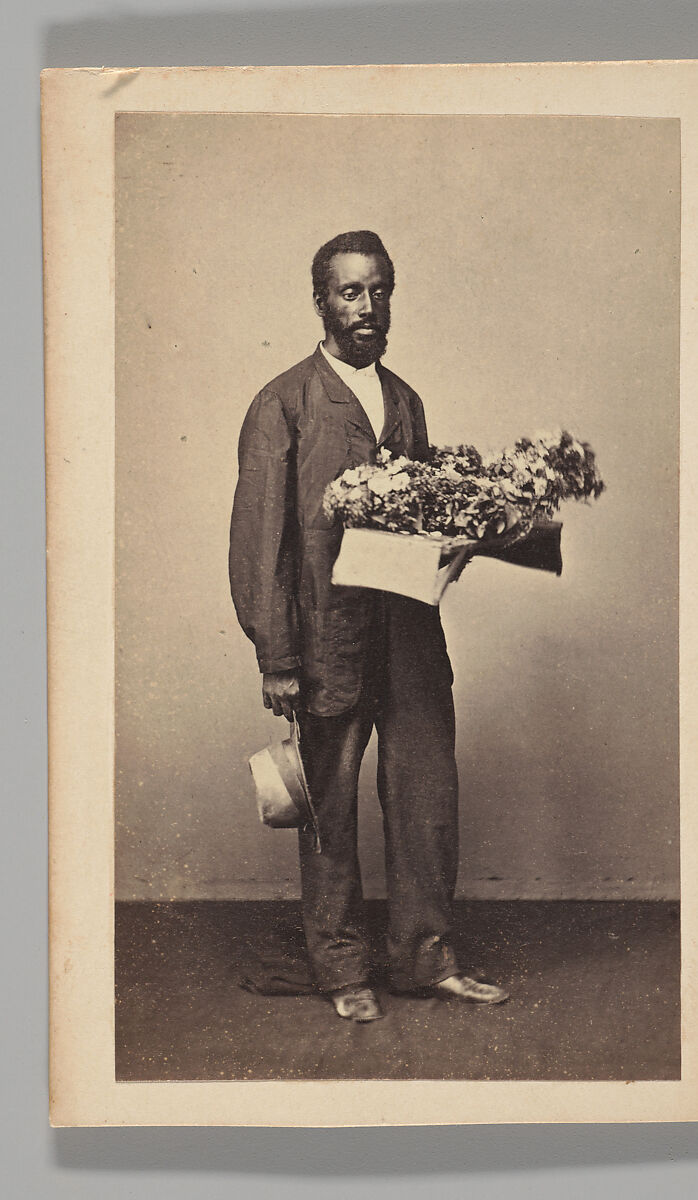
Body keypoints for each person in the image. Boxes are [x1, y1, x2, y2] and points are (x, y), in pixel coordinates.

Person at [229, 231, 508, 1022]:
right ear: (320, 301)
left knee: (426, 802)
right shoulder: (282, 402)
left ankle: (424, 959)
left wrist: (458, 538)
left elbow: (414, 522)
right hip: (326, 643)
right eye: (350, 292)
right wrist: (276, 655)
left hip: (410, 639)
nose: (367, 306)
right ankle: (341, 968)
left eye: (379, 289)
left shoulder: (406, 399)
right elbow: (259, 540)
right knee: (330, 812)